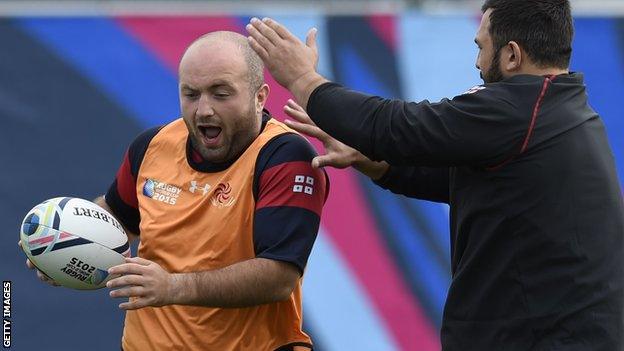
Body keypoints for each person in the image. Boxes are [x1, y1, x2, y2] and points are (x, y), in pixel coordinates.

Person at [247, 0, 624, 350]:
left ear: (511, 55)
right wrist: (373, 159)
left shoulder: (520, 107)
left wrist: (302, 79)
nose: (477, 61)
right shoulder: (565, 114)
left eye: (482, 47)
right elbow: (461, 179)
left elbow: (396, 126)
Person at [23, 31, 328, 351]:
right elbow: (116, 222)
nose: (204, 110)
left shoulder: (285, 157)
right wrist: (66, 249)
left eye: (221, 94)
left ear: (260, 96)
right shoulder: (152, 146)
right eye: (191, 94)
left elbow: (278, 276)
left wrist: (173, 287)